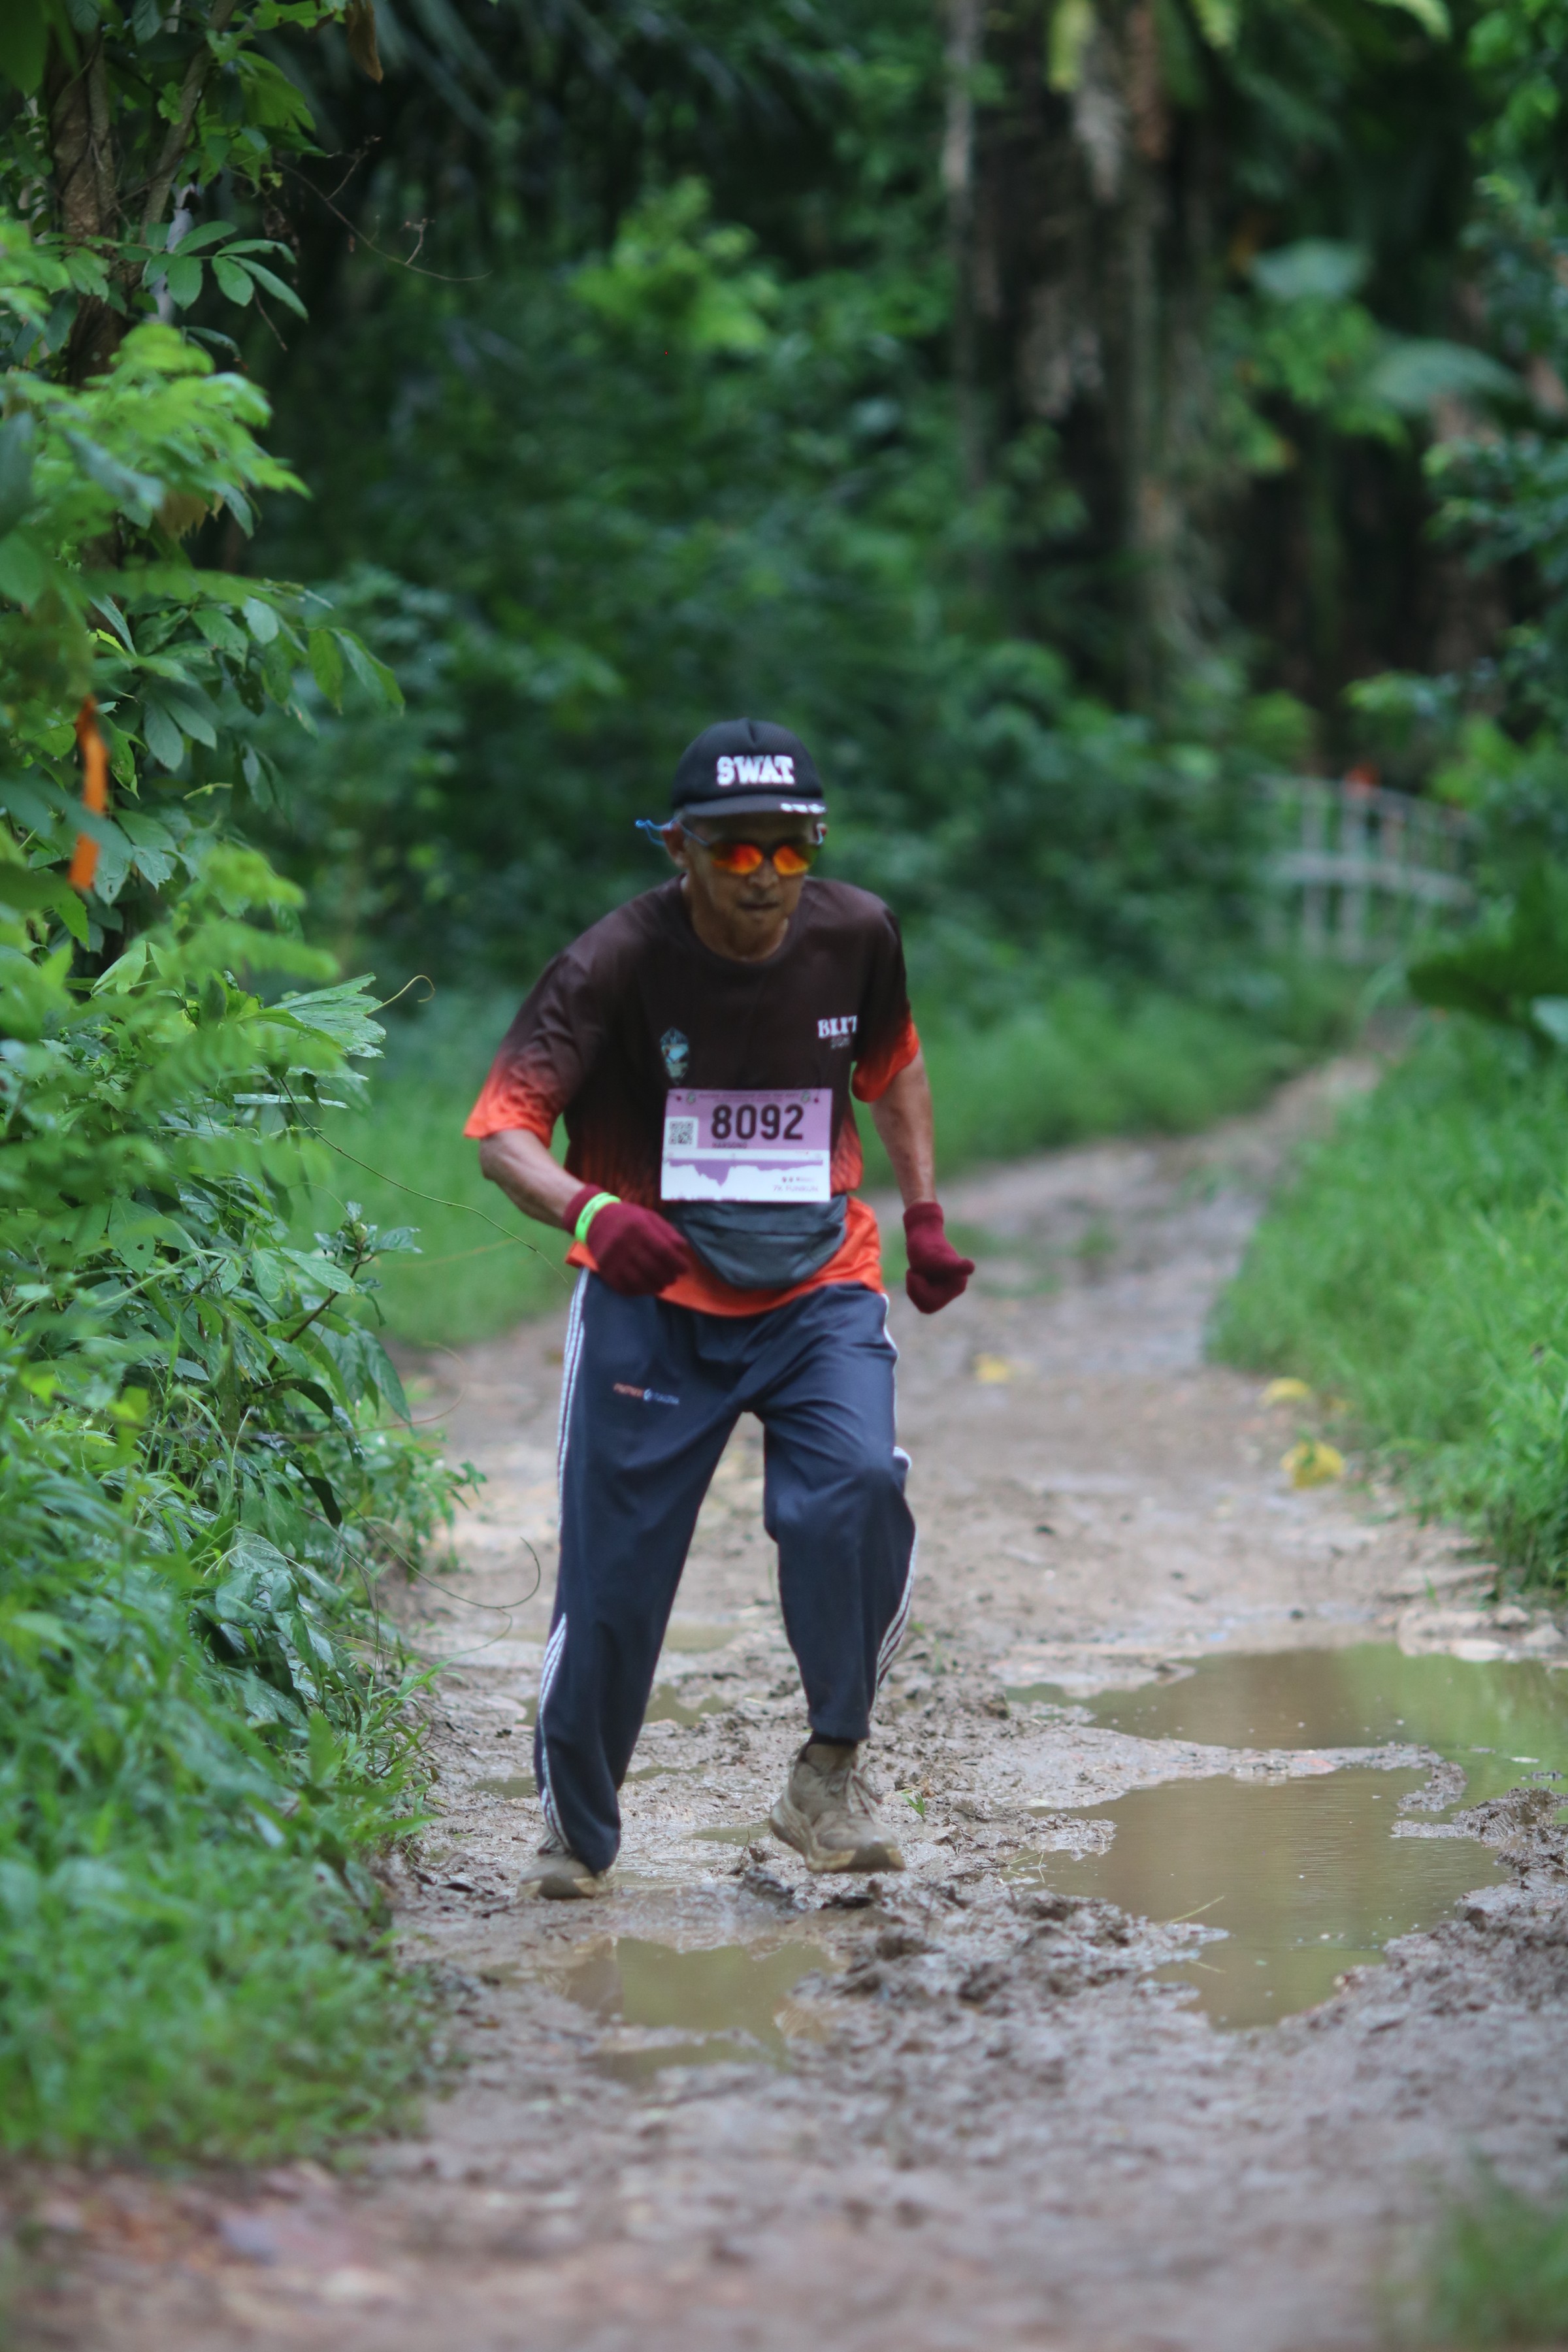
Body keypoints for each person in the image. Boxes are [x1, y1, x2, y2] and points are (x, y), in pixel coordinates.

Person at [466, 717, 975, 1897]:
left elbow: (893, 1065)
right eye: (737, 852)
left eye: (790, 850)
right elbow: (504, 1133)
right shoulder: (612, 962)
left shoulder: (857, 934)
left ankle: (829, 1774)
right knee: (615, 1578)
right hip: (653, 1295)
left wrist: (924, 1212)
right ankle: (577, 1834)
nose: (764, 878)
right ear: (679, 849)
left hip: (816, 1283)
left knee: (858, 1489)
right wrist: (592, 1213)